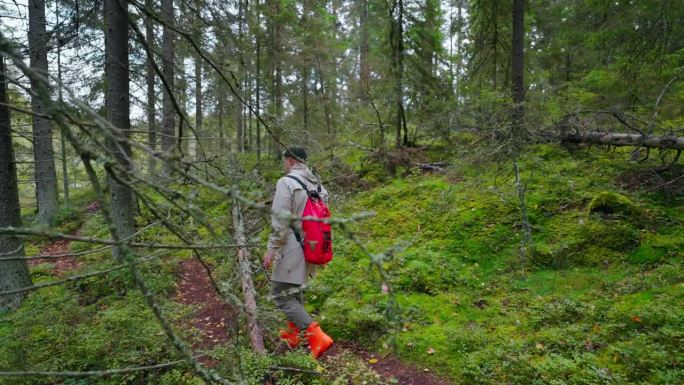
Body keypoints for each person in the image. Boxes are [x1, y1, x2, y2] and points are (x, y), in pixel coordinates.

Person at [263, 145, 334, 359]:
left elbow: (281, 220)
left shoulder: (287, 182)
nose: (284, 164)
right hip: (311, 246)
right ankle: (293, 335)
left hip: (292, 247)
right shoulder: (319, 187)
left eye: (285, 160)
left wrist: (271, 249)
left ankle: (317, 336)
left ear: (292, 161)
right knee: (293, 291)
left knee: (281, 295)